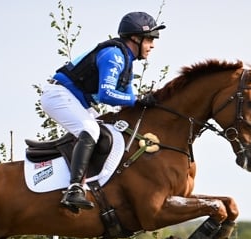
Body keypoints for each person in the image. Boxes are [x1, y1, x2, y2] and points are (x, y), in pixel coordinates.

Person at [40, 11, 166, 211]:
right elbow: (106, 94)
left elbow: (128, 100)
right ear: (135, 37)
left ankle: (94, 183)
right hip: (58, 94)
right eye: (150, 38)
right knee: (91, 130)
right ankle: (74, 188)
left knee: (110, 132)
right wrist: (138, 99)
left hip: (76, 100)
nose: (153, 45)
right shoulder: (114, 55)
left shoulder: (127, 62)